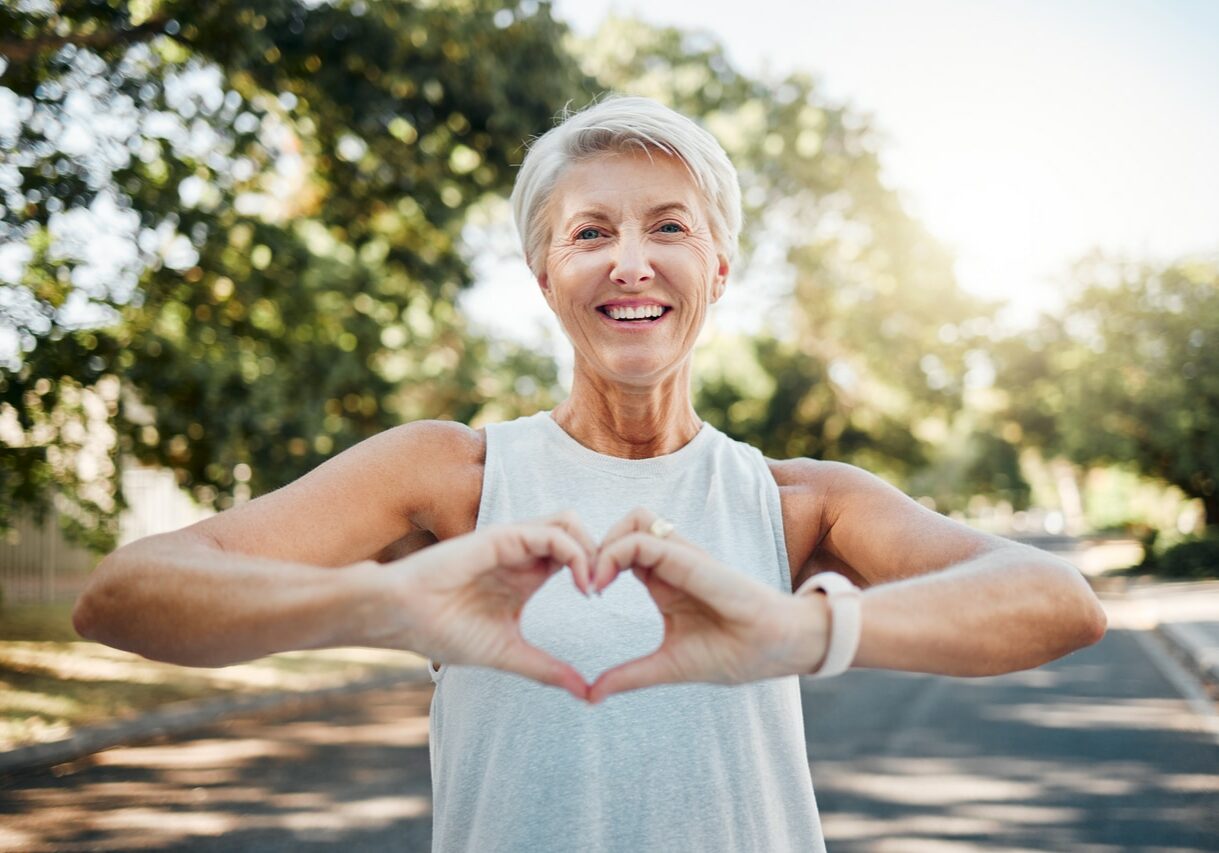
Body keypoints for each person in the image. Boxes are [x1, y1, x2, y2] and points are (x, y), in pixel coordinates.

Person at [73, 95, 1108, 852]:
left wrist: (803, 628)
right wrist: (384, 602)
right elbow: (120, 596)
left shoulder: (797, 503)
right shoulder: (450, 476)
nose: (630, 261)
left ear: (717, 269)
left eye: (669, 226)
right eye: (590, 233)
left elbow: (1057, 602)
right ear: (544, 276)